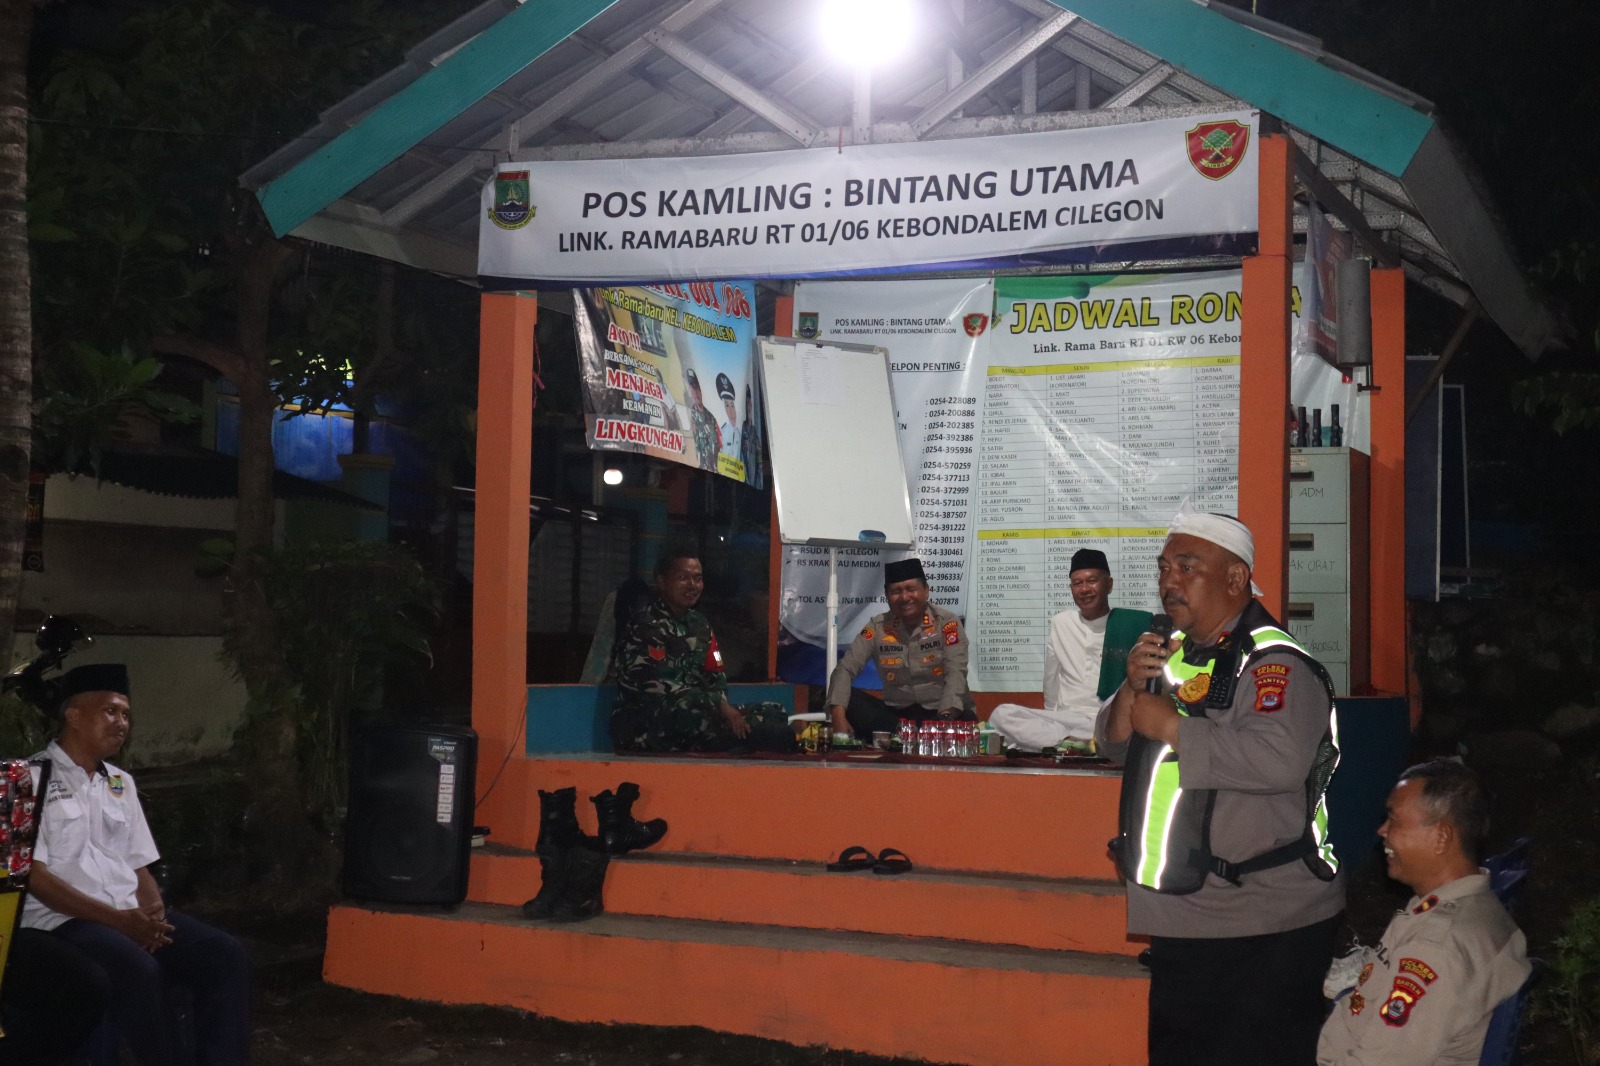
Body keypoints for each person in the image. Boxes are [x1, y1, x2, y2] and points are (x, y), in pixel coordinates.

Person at [1095, 509, 1344, 1066]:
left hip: (1261, 918)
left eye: (1187, 567)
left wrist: (1172, 727)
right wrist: (1132, 689)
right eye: (1164, 567)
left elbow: (1277, 761)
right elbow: (1114, 745)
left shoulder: (1275, 662)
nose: (1170, 581)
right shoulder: (1172, 651)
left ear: (1236, 578)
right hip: (1187, 910)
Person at [23, 663, 251, 1065]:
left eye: (126, 715)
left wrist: (153, 914)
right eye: (110, 711)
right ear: (73, 716)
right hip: (64, 921)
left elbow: (138, 864)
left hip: (126, 913)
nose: (122, 723)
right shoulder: (24, 779)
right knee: (138, 969)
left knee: (225, 954)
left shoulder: (119, 782)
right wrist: (121, 923)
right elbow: (35, 879)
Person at [1319, 761, 1531, 1066]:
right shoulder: (1480, 906)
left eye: (1394, 819)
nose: (1382, 830)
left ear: (1441, 837)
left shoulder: (1434, 949)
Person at [611, 549, 795, 752]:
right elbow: (662, 687)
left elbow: (716, 674)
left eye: (697, 578)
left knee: (774, 711)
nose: (692, 585)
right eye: (683, 578)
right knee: (693, 714)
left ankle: (735, 739)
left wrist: (722, 704)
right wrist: (719, 706)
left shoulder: (699, 624)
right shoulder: (646, 625)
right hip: (650, 723)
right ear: (662, 582)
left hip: (701, 711)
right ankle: (738, 739)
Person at [987, 548, 1151, 749]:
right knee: (1002, 714)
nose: (1084, 589)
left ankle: (1064, 744)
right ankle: (1071, 744)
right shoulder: (1061, 622)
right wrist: (1048, 719)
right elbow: (1051, 680)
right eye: (1077, 583)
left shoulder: (1129, 625)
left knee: (1127, 731)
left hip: (1107, 718)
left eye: (1092, 581)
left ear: (1109, 584)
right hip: (1065, 720)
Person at [827, 557, 975, 740]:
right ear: (887, 596)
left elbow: (956, 671)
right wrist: (838, 716)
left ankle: (912, 739)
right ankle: (905, 739)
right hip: (897, 719)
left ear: (926, 590)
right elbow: (846, 668)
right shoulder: (877, 627)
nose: (904, 598)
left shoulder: (947, 623)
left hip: (943, 714)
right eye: (896, 591)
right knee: (850, 700)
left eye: (911, 589)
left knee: (965, 720)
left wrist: (944, 720)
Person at [683, 367, 719, 471]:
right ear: (690, 391)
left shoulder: (711, 417)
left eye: (697, 388)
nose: (696, 392)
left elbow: (717, 446)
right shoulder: (688, 415)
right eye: (693, 388)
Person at [714, 372, 741, 461]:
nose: (731, 411)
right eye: (727, 405)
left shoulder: (738, 434)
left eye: (732, 405)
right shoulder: (721, 434)